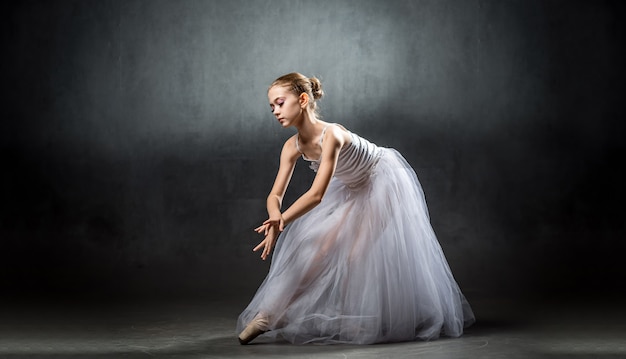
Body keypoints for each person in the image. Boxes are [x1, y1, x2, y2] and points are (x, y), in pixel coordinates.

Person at [237, 72, 475, 345]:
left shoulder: (333, 135)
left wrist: (282, 222)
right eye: (272, 107)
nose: (275, 111)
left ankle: (358, 319)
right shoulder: (291, 146)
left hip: (383, 179)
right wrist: (275, 216)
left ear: (303, 100)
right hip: (350, 186)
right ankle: (269, 315)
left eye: (280, 103)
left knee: (354, 254)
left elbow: (316, 195)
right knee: (316, 251)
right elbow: (275, 194)